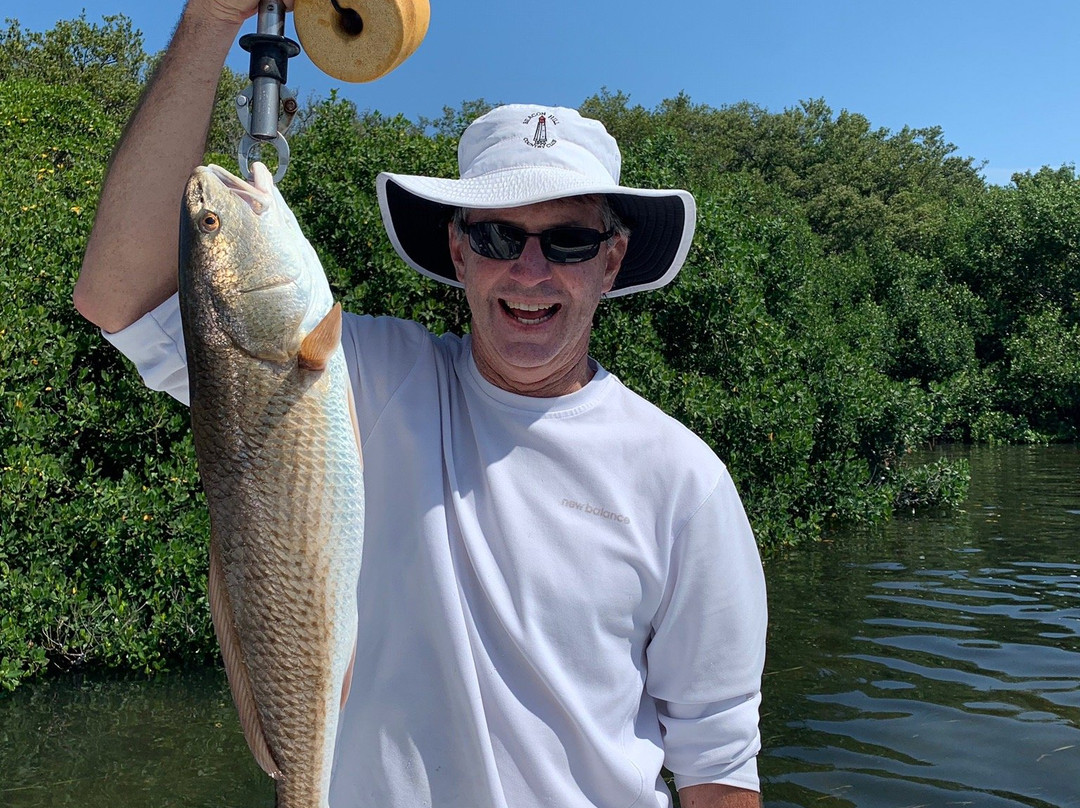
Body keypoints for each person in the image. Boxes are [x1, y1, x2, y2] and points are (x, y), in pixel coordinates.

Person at [74, 1, 768, 806]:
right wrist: (212, 19)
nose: (530, 271)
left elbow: (719, 767)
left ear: (611, 262)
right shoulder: (361, 379)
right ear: (458, 251)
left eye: (569, 241)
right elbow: (118, 297)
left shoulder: (684, 480)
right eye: (498, 237)